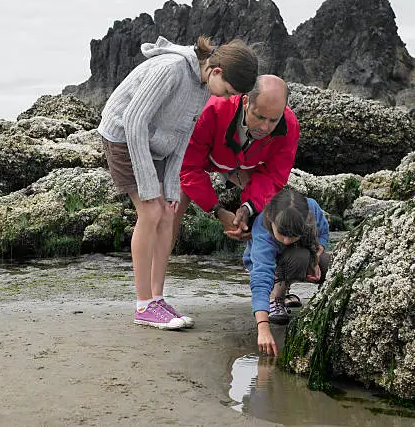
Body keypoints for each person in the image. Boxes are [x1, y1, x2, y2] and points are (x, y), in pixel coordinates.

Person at [98, 35, 258, 330]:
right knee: (151, 212)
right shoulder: (171, 69)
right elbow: (134, 120)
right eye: (227, 91)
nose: (224, 99)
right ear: (217, 72)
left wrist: (171, 186)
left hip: (155, 142)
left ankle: (157, 299)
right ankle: (143, 305)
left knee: (168, 213)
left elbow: (184, 135)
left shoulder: (202, 85)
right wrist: (149, 186)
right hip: (123, 136)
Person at [175, 75, 299, 245]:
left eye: (273, 120)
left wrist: (248, 208)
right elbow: (188, 167)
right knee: (175, 202)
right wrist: (217, 210)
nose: (265, 127)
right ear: (246, 101)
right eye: (259, 116)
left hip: (244, 164)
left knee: (275, 208)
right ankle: (158, 266)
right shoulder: (211, 110)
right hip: (205, 157)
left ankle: (261, 264)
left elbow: (274, 176)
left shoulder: (289, 125)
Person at [243, 188, 330, 356]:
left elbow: (324, 231)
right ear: (271, 220)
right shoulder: (263, 230)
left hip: (300, 254)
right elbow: (261, 278)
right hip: (268, 264)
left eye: (293, 236)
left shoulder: (311, 207)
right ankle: (276, 298)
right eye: (282, 234)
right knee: (296, 257)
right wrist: (263, 327)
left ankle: (285, 290)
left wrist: (317, 256)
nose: (287, 240)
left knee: (332, 264)